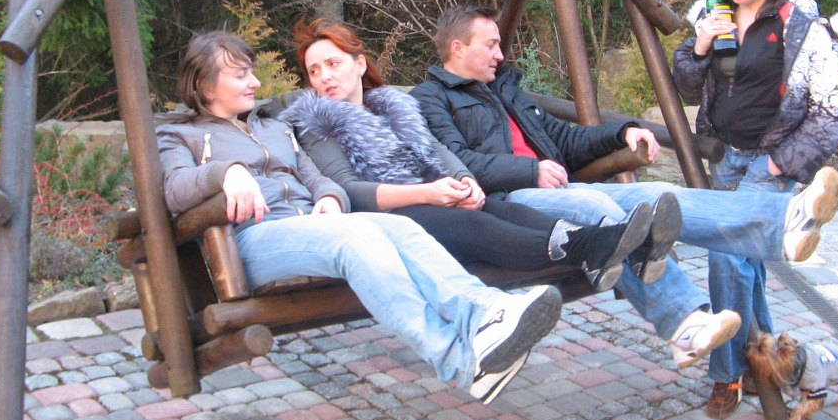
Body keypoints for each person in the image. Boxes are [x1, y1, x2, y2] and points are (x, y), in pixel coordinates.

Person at [411, 5, 838, 409]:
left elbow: (563, 139)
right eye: (491, 45)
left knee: (655, 195)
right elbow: (456, 162)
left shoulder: (505, 90)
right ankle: (684, 322)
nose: (500, 54)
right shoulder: (430, 98)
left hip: (559, 189)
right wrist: (529, 171)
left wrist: (622, 132)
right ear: (458, 48)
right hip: (508, 205)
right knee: (593, 203)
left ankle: (782, 223)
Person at [156, 31, 562, 405]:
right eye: (241, 75)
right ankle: (457, 360)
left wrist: (330, 198)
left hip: (312, 229)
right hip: (255, 239)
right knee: (355, 240)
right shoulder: (178, 134)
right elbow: (174, 188)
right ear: (205, 86)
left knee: (399, 226)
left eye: (252, 72)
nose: (256, 82)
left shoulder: (272, 128)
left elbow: (316, 178)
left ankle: (485, 312)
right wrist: (226, 172)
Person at [273, 19, 657, 292]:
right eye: (314, 71)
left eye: (333, 64)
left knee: (497, 208)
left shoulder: (393, 107)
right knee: (473, 223)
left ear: (359, 64)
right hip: (386, 217)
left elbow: (437, 149)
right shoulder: (315, 123)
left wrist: (466, 181)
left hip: (434, 198)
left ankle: (603, 245)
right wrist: (429, 193)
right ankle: (590, 247)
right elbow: (350, 189)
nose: (324, 77)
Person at [673, 0, 838, 417]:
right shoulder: (714, 12)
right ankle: (767, 358)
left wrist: (781, 163)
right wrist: (700, 45)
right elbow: (687, 87)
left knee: (724, 256)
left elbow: (831, 113)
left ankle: (726, 375)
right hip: (726, 154)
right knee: (747, 262)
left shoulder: (801, 25)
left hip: (770, 160)